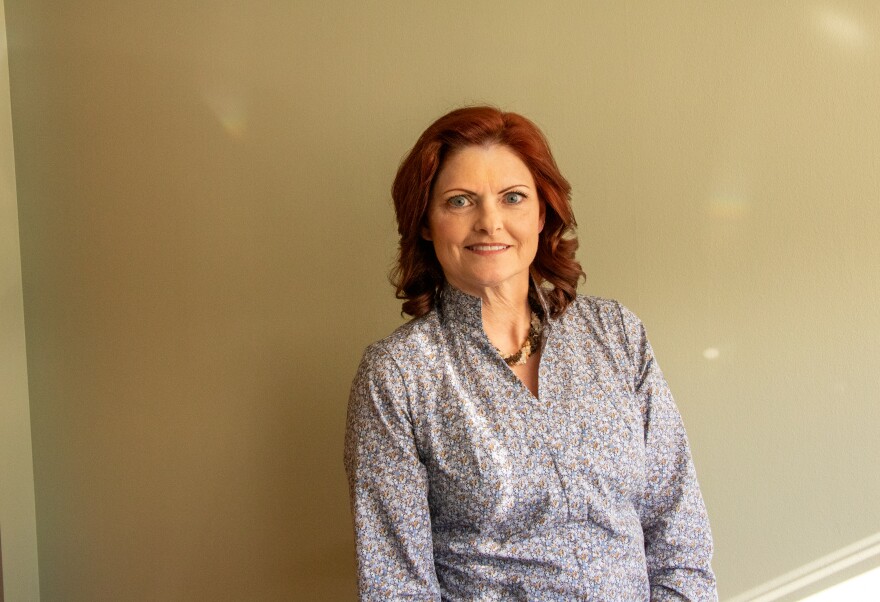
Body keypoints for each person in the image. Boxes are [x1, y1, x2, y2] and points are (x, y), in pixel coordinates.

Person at [344, 106, 716, 600]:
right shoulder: (397, 375)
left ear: (542, 214)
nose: (489, 222)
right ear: (427, 223)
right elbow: (396, 585)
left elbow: (678, 534)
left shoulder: (618, 335)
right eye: (460, 201)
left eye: (513, 198)